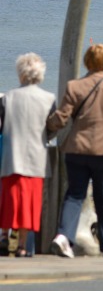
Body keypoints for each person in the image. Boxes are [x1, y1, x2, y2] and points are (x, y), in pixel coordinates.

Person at [47, 43, 103, 259]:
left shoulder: (74, 87)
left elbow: (61, 118)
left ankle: (63, 237)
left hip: (77, 149)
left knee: (74, 195)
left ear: (87, 62)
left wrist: (45, 126)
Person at [0, 53, 56, 257]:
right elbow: (52, 128)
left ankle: (4, 236)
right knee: (29, 202)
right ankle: (23, 245)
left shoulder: (7, 98)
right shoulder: (48, 99)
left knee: (9, 198)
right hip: (35, 157)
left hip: (10, 157)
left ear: (20, 74)